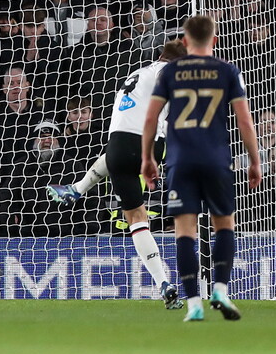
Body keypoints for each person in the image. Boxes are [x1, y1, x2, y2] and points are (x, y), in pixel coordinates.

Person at [141, 15, 261, 322]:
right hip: (216, 158)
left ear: (184, 41)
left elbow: (152, 118)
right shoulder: (227, 71)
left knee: (185, 232)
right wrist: (255, 160)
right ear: (215, 40)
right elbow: (244, 120)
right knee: (224, 225)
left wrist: (147, 158)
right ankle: (220, 288)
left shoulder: (169, 71)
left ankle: (194, 302)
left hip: (180, 160)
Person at [50, 40, 187, 309]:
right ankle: (163, 282)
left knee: (136, 217)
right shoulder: (165, 72)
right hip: (148, 145)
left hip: (118, 148)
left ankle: (77, 189)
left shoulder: (136, 74)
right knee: (141, 214)